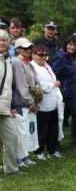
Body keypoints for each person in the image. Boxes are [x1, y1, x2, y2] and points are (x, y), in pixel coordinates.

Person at [52, 36, 76, 150]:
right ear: (66, 44)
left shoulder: (72, 58)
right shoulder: (60, 57)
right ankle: (56, 144)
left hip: (71, 93)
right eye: (70, 44)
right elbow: (53, 74)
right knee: (58, 119)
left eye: (75, 45)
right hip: (61, 93)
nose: (72, 47)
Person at [11, 38, 40, 166]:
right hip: (20, 102)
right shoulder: (16, 62)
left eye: (29, 48)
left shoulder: (28, 62)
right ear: (17, 49)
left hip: (29, 102)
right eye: (24, 48)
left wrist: (37, 99)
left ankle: (24, 156)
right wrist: (31, 103)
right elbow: (21, 86)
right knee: (20, 132)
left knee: (26, 131)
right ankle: (18, 158)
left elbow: (35, 83)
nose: (27, 50)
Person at [30, 45, 61, 159]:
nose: (44, 57)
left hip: (52, 102)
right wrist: (53, 84)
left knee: (53, 127)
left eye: (45, 55)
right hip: (42, 103)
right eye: (41, 55)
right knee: (42, 129)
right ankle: (39, 151)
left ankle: (52, 149)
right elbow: (37, 86)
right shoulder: (32, 67)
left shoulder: (46, 65)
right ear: (33, 55)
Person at [0, 29, 21, 178]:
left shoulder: (7, 60)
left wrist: (12, 105)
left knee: (12, 137)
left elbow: (9, 86)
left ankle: (11, 169)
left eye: (4, 40)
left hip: (5, 106)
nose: (1, 42)